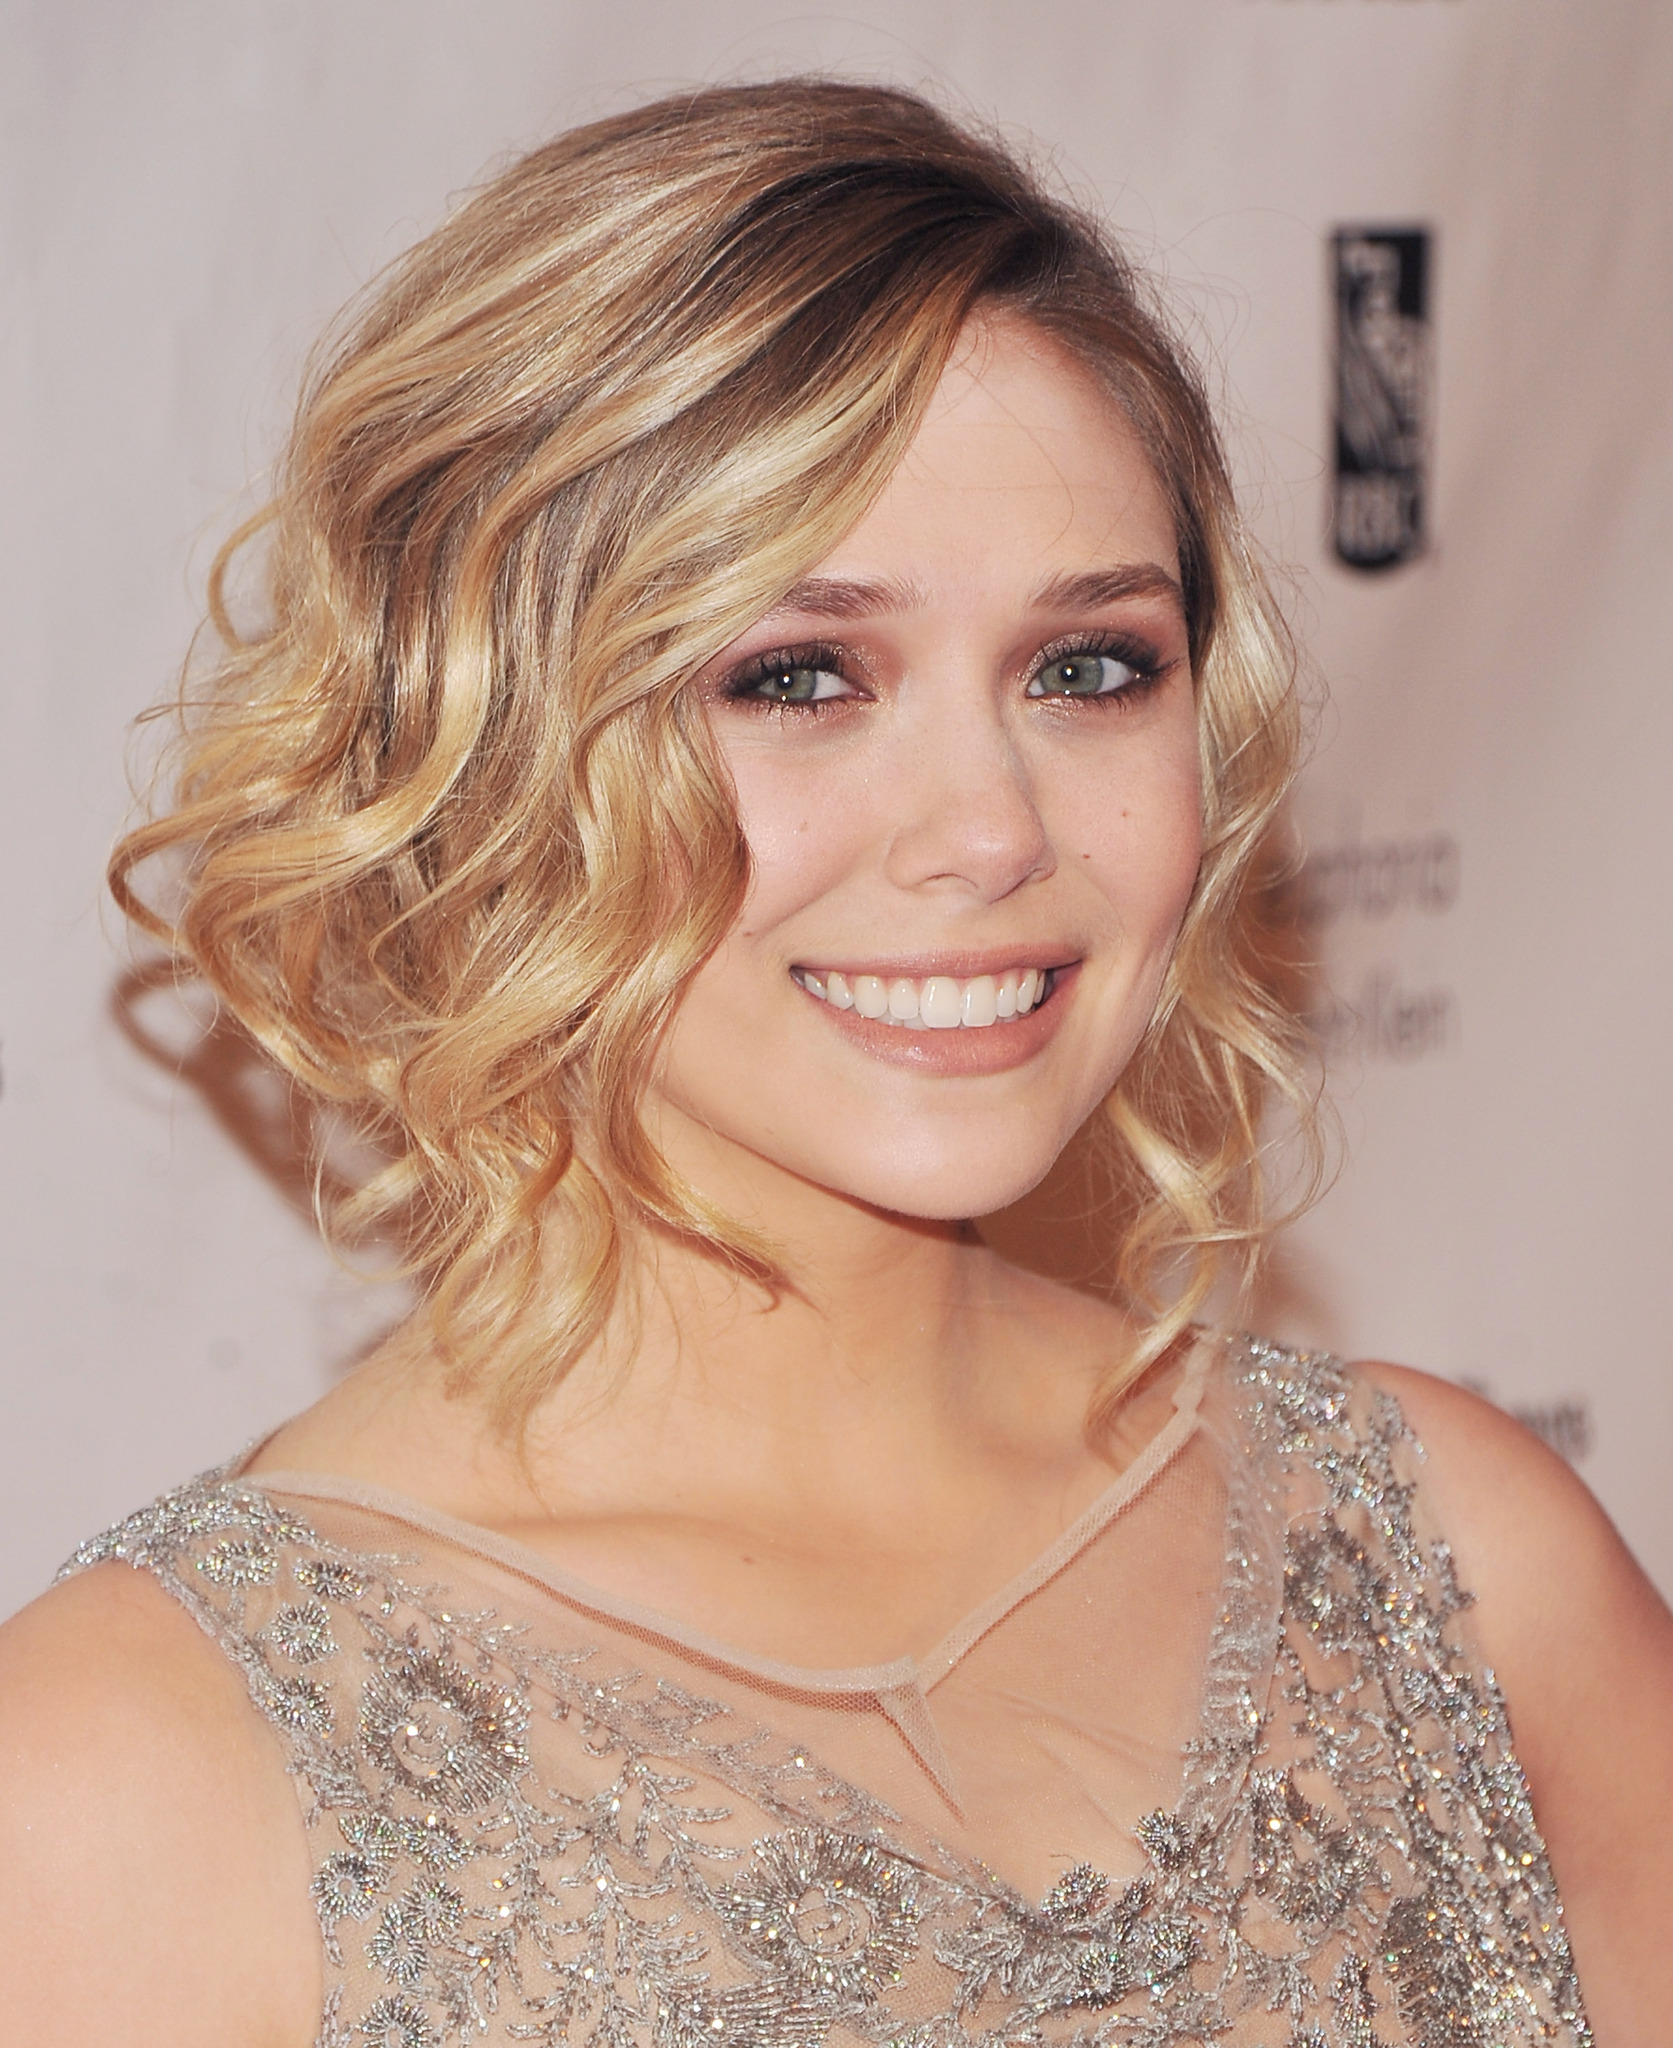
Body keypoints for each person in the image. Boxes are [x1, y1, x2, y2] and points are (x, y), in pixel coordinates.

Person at [1, 79, 1668, 2048]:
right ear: (483, 741)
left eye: (1089, 667)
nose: (990, 828)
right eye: (799, 677)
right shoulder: (135, 1778)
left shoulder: (1455, 1569)